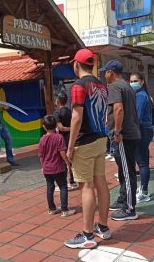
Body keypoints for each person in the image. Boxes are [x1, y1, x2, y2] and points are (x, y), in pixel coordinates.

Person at [64, 48, 111, 249]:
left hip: (85, 142)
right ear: (91, 64)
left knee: (87, 186)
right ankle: (103, 227)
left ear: (76, 64)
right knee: (101, 182)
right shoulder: (101, 85)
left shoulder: (78, 85)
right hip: (101, 139)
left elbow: (76, 117)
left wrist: (70, 146)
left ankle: (87, 235)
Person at [102, 60, 140, 221]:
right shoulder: (127, 86)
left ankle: (129, 208)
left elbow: (118, 109)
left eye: (105, 72)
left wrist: (117, 131)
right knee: (124, 170)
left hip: (124, 136)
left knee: (127, 171)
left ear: (111, 72)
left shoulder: (115, 87)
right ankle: (123, 199)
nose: (104, 75)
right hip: (130, 133)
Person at [39, 115, 76, 217]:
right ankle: (64, 210)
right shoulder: (59, 137)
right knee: (63, 186)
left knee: (50, 187)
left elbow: (41, 156)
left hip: (47, 168)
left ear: (44, 127)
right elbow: (62, 152)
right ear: (55, 125)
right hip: (58, 167)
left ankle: (52, 208)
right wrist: (68, 163)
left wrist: (43, 166)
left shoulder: (42, 140)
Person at [129, 73, 154, 203]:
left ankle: (144, 192)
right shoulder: (144, 95)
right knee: (143, 162)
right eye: (131, 81)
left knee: (142, 163)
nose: (133, 83)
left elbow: (136, 118)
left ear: (142, 82)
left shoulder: (140, 96)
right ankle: (144, 189)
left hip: (141, 130)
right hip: (145, 130)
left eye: (135, 81)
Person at [53, 92, 78, 190]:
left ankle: (63, 183)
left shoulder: (57, 113)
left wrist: (69, 128)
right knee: (71, 160)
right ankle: (72, 180)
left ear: (58, 101)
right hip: (71, 138)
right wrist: (73, 129)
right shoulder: (70, 111)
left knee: (63, 161)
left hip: (62, 139)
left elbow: (61, 128)